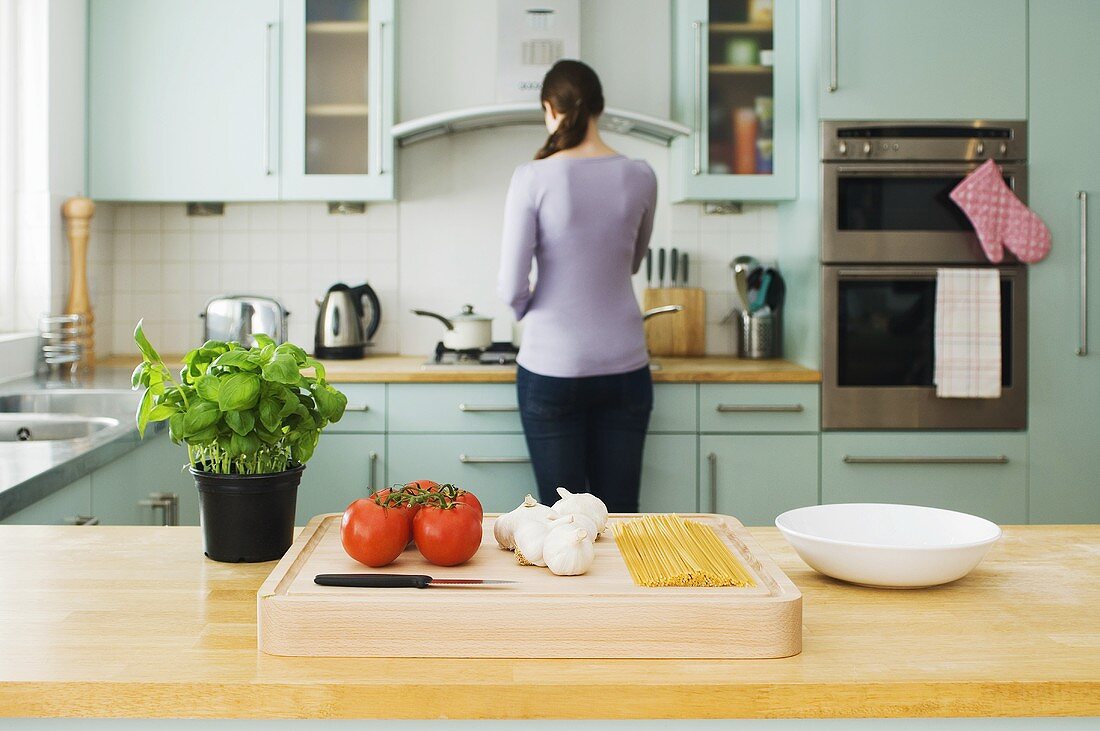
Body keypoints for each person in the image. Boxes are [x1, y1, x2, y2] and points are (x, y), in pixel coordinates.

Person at [497, 59, 657, 512]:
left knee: (561, 521)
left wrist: (534, 309)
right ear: (599, 108)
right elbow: (632, 262)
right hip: (626, 365)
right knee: (623, 516)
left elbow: (510, 286)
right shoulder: (642, 175)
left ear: (551, 109)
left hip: (551, 366)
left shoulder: (533, 176)